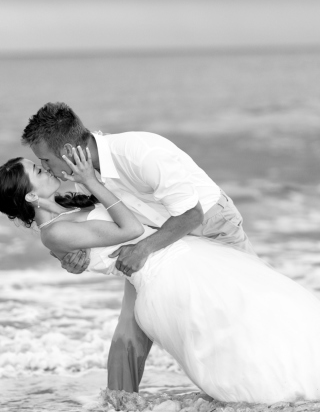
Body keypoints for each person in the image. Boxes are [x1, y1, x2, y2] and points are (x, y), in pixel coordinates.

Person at [1, 148, 320, 405]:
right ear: (30, 197)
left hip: (179, 256)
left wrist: (87, 182)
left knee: (251, 311)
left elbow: (118, 219)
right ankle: (271, 387)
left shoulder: (65, 211)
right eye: (39, 171)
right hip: (166, 275)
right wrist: (91, 182)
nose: (48, 170)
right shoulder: (55, 233)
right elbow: (131, 229)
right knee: (233, 325)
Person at [21, 102, 255, 392]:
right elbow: (87, 222)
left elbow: (191, 214)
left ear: (68, 150)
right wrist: (73, 257)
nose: (46, 168)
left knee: (245, 311)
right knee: (131, 325)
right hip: (156, 241)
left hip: (212, 225)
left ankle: (247, 391)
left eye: (44, 161)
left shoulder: (140, 153)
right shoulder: (79, 175)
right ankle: (120, 402)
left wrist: (142, 249)